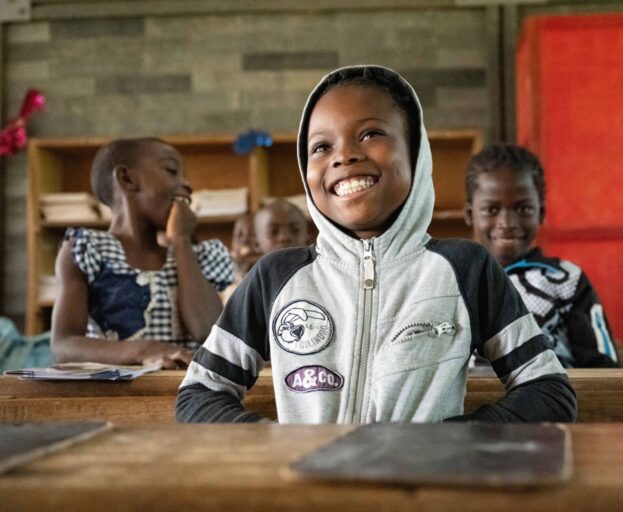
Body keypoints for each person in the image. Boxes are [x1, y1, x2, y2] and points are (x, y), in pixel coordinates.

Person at [176, 65, 576, 423]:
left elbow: (549, 390)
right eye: (321, 147)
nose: (344, 156)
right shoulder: (277, 276)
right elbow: (199, 393)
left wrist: (454, 444)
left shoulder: (464, 268)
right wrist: (275, 447)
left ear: (416, 153)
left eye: (370, 134)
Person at [51, 137, 234, 369]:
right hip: (115, 398)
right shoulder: (87, 249)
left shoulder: (199, 257)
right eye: (172, 171)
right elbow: (64, 345)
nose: (187, 185)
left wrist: (180, 240)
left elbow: (206, 332)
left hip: (187, 394)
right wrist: (145, 350)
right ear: (127, 179)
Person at [464, 143, 619, 368]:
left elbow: (605, 369)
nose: (507, 223)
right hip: (470, 402)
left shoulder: (566, 279)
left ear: (541, 213)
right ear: (470, 214)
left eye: (523, 209)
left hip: (550, 399)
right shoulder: (453, 279)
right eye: (491, 209)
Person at [222, 200, 310, 303]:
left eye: (295, 230)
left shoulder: (322, 279)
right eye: (274, 232)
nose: (284, 237)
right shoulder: (245, 290)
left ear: (308, 237)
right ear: (257, 244)